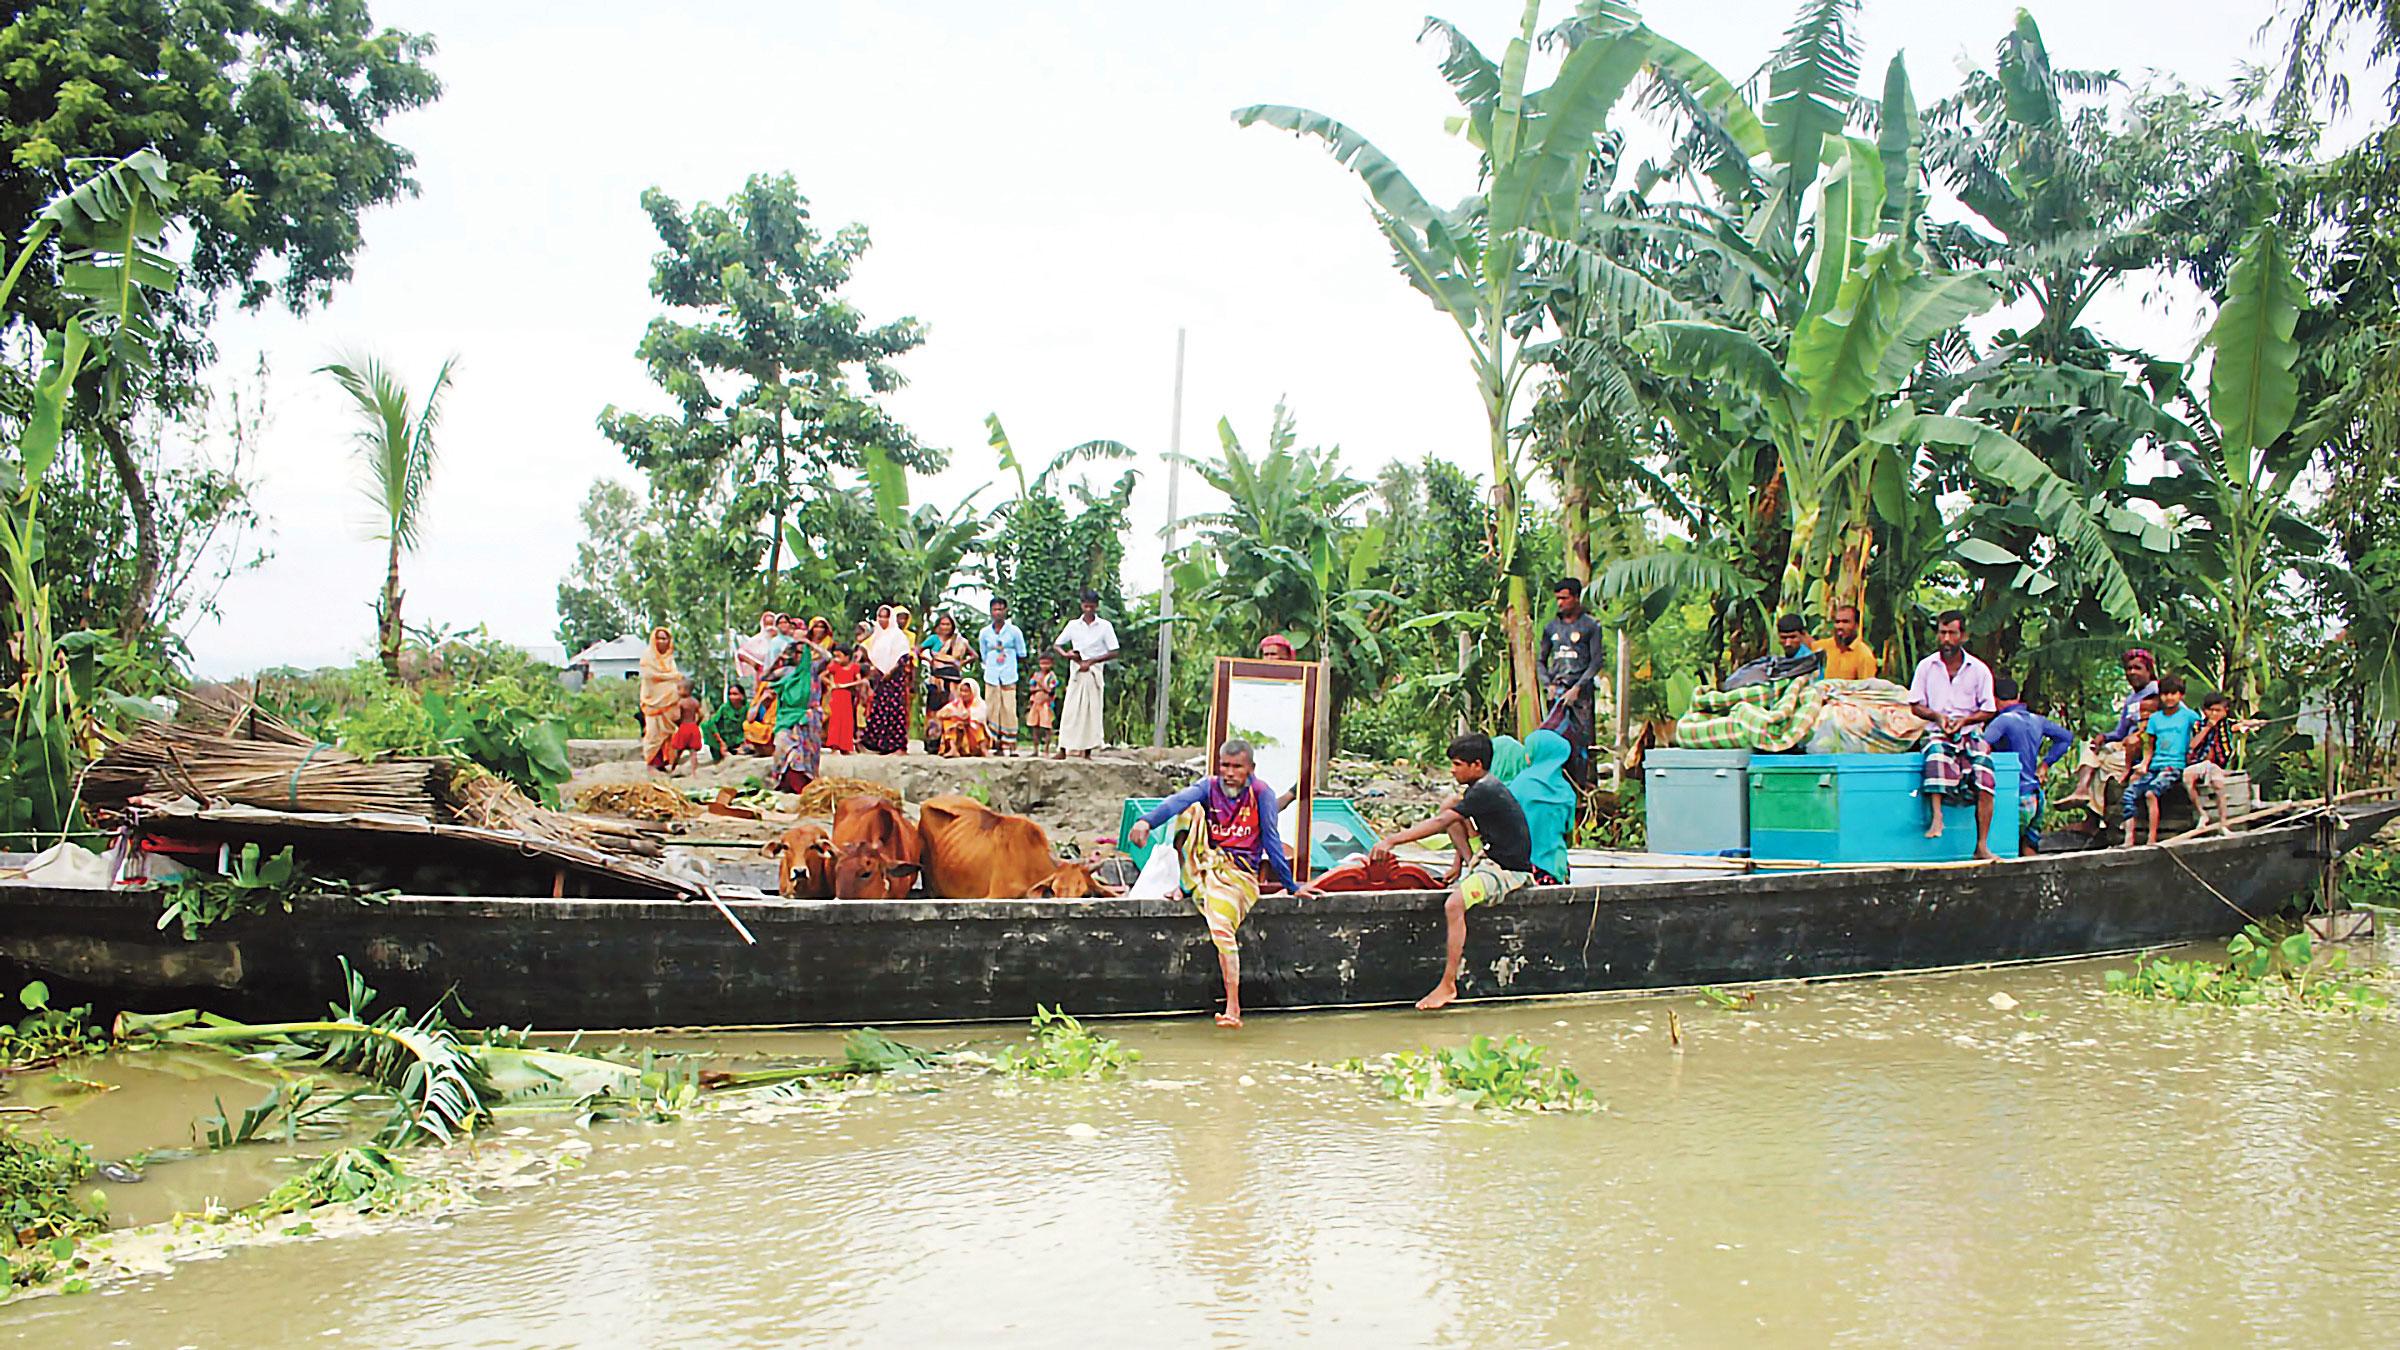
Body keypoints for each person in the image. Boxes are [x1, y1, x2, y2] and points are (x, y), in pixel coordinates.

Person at [1316, 733, 1539, 1012]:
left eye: (1458, 764)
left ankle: (1448, 985)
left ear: (1476, 764)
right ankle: (1467, 868)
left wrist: (1392, 840)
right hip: (1486, 855)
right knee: (1450, 805)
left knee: (1454, 903)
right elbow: (1453, 815)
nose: (1453, 770)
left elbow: (1441, 822)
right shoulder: (1477, 788)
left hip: (1507, 870)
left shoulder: (1487, 790)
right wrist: (1459, 863)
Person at [1129, 739, 1299, 1029]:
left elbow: (1271, 841)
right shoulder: (1209, 787)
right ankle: (1186, 883)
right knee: (1189, 811)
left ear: (1250, 769)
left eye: (1237, 767)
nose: (1229, 773)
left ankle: (1233, 1006)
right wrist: (1146, 822)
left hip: (1239, 873)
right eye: (1225, 766)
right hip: (1207, 863)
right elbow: (1176, 802)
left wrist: (1293, 887)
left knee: (1220, 924)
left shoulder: (1262, 794)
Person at [1907, 610, 1999, 860]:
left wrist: (1965, 721)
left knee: (1985, 774)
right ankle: (1937, 817)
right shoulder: (1927, 667)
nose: (1946, 639)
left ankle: (1981, 845)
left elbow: (1988, 709)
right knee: (1935, 755)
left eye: (1952, 633)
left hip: (1969, 733)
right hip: (1937, 731)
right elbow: (1915, 704)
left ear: (1963, 636)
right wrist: (1938, 717)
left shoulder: (1978, 670)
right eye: (1942, 633)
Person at [2060, 649, 2160, 809]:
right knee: (2091, 748)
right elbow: (2120, 732)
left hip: (2144, 749)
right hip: (2124, 745)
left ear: (2149, 671)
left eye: (2137, 668)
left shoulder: (2158, 692)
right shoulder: (2130, 699)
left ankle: (2095, 818)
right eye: (2129, 668)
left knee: (2105, 766)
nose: (2132, 672)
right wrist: (2104, 737)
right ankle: (2081, 789)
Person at [1987, 677, 2075, 852]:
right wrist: (2045, 765)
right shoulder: (2037, 720)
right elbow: (2066, 737)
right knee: (2028, 849)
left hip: (2013, 796)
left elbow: (1982, 745)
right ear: (2018, 696)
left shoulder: (2003, 721)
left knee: (2003, 850)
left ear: (1994, 699)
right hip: (2035, 796)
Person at [2122, 675, 2201, 847]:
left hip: (2174, 765)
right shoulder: (2156, 719)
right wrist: (2144, 764)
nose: (2169, 698)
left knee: (2151, 793)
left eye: (2173, 694)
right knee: (2129, 794)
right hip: (2155, 765)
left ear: (2181, 695)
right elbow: (2149, 747)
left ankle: (2152, 838)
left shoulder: (2189, 716)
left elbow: (2202, 734)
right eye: (2165, 694)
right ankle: (2129, 839)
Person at [1540, 578, 1605, 786]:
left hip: (1580, 695)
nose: (1560, 603)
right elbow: (1540, 660)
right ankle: (1557, 784)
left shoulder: (1591, 625)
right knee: (1555, 740)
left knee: (1582, 742)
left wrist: (1578, 687)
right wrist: (1547, 684)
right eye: (1557, 598)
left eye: (1564, 598)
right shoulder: (1551, 627)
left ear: (1576, 598)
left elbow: (1596, 661)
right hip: (1556, 693)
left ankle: (1584, 789)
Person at [2183, 693, 2261, 833]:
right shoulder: (2198, 725)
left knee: (2219, 785)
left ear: (2225, 712)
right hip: (2200, 764)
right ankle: (2202, 814)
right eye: (2211, 710)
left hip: (2216, 766)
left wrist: (2254, 723)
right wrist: (2207, 728)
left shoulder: (2227, 725)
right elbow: (2193, 745)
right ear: (2205, 711)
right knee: (2187, 778)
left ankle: (2223, 823)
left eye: (2218, 711)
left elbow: (2241, 724)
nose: (2214, 714)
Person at [1055, 590, 1119, 760]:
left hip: (1093, 671)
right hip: (1077, 670)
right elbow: (1058, 644)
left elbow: (1114, 651)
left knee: (1091, 711)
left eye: (1092, 606)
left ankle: (1087, 751)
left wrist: (1091, 661)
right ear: (1081, 605)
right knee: (1070, 710)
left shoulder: (1105, 626)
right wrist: (1067, 655)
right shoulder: (1073, 625)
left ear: (1096, 606)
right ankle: (1063, 748)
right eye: (1086, 606)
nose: (1088, 609)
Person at [1509, 729, 1576, 885]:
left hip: (1523, 866)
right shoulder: (1566, 791)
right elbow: (1568, 831)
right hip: (1556, 868)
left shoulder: (1519, 784)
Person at [768, 642, 824, 793]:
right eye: (796, 652)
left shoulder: (812, 671)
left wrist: (808, 643)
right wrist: (779, 657)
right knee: (782, 746)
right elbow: (766, 677)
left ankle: (801, 786)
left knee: (801, 754)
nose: (798, 656)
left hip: (807, 717)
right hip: (787, 716)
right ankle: (781, 782)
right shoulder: (786, 671)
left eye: (802, 652)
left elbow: (828, 657)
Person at [861, 606, 914, 754]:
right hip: (880, 678)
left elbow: (903, 656)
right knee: (880, 708)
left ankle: (897, 744)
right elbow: (871, 655)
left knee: (895, 708)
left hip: (894, 678)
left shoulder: (898, 636)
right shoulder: (878, 637)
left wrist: (891, 671)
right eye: (880, 617)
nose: (882, 620)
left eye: (885, 617)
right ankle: (879, 743)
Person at [979, 598, 1028, 756]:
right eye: (995, 609)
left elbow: (1022, 653)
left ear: (1006, 611)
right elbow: (984, 654)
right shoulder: (985, 633)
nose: (998, 612)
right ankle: (995, 744)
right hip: (992, 674)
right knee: (992, 708)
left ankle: (1011, 745)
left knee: (1009, 708)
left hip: (1009, 674)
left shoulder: (1014, 631)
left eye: (1001, 609)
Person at [921, 613, 974, 751]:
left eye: (948, 624)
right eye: (942, 624)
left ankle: (952, 744)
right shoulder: (933, 639)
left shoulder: (959, 641)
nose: (945, 627)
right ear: (938, 626)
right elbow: (917, 650)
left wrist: (960, 663)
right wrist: (929, 661)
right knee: (934, 711)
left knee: (952, 710)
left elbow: (974, 655)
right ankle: (933, 744)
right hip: (937, 679)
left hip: (953, 681)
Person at [638, 626, 682, 768]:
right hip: (653, 702)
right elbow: (649, 676)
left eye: (665, 638)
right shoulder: (648, 657)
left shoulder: (670, 659)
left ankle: (664, 761)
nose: (662, 641)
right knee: (653, 733)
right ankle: (651, 761)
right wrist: (669, 677)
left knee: (668, 733)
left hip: (669, 703)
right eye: (659, 638)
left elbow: (676, 677)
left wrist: (671, 679)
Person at [650, 678, 705, 775]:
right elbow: (701, 715)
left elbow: (677, 716)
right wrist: (697, 723)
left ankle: (673, 768)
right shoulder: (695, 702)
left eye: (679, 689)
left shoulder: (681, 703)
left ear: (686, 690)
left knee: (678, 751)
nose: (678, 691)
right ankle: (694, 772)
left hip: (683, 727)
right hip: (693, 727)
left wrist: (675, 723)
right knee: (693, 753)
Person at [1814, 604, 1879, 680]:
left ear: (1856, 625)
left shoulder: (1864, 655)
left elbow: (1866, 687)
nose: (1840, 626)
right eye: (1837, 622)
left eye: (1845, 622)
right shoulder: (1823, 646)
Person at [931, 678, 993, 758]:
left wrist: (966, 721)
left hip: (975, 741)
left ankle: (983, 749)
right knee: (948, 722)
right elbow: (940, 714)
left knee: (976, 724)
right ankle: (954, 749)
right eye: (961, 691)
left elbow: (978, 718)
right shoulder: (957, 703)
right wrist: (956, 720)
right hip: (960, 740)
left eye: (966, 691)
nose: (963, 694)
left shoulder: (980, 704)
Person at [821, 643, 864, 755]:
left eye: (839, 656)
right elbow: (822, 676)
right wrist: (831, 683)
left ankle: (845, 745)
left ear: (847, 656)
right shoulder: (835, 667)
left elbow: (859, 681)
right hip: (836, 695)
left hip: (847, 695)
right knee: (835, 719)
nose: (837, 659)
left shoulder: (854, 667)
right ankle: (834, 745)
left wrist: (846, 685)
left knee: (847, 720)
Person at [1025, 652, 1061, 754]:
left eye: (1047, 663)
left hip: (1046, 704)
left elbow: (1050, 690)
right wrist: (1038, 688)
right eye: (1042, 663)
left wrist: (1040, 684)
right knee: (1034, 727)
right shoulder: (1036, 675)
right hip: (1036, 703)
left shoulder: (1052, 677)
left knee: (1047, 727)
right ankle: (1035, 750)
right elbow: (1031, 688)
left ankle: (1046, 749)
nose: (1044, 666)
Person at [735, 611, 780, 687]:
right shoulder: (755, 641)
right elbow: (741, 654)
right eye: (767, 624)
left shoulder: (783, 641)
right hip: (758, 680)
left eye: (772, 623)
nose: (770, 627)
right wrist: (756, 665)